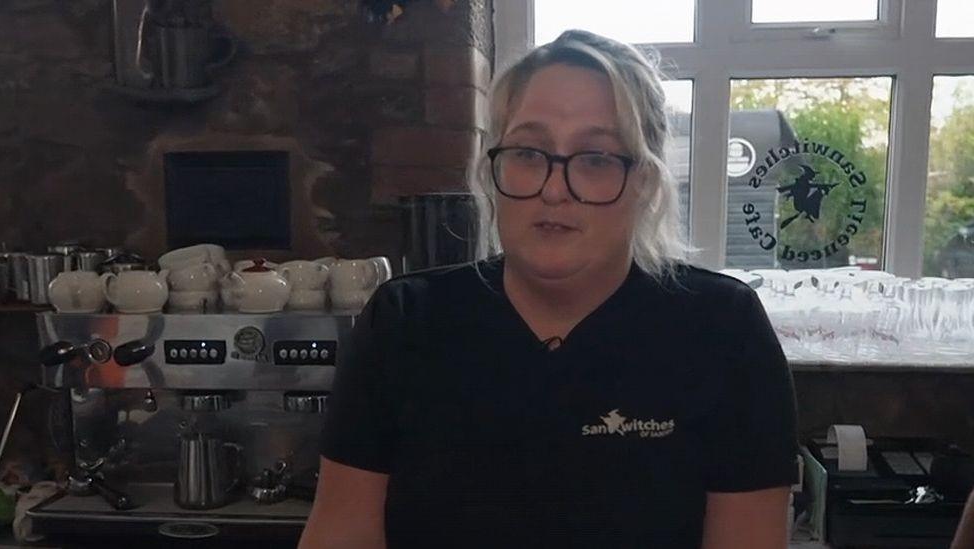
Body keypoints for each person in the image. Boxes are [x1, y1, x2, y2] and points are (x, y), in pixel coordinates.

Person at [299, 29, 799, 549]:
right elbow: (341, 533)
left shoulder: (722, 330)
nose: (554, 189)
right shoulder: (405, 323)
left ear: (645, 183)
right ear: (493, 168)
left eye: (597, 158)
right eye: (529, 153)